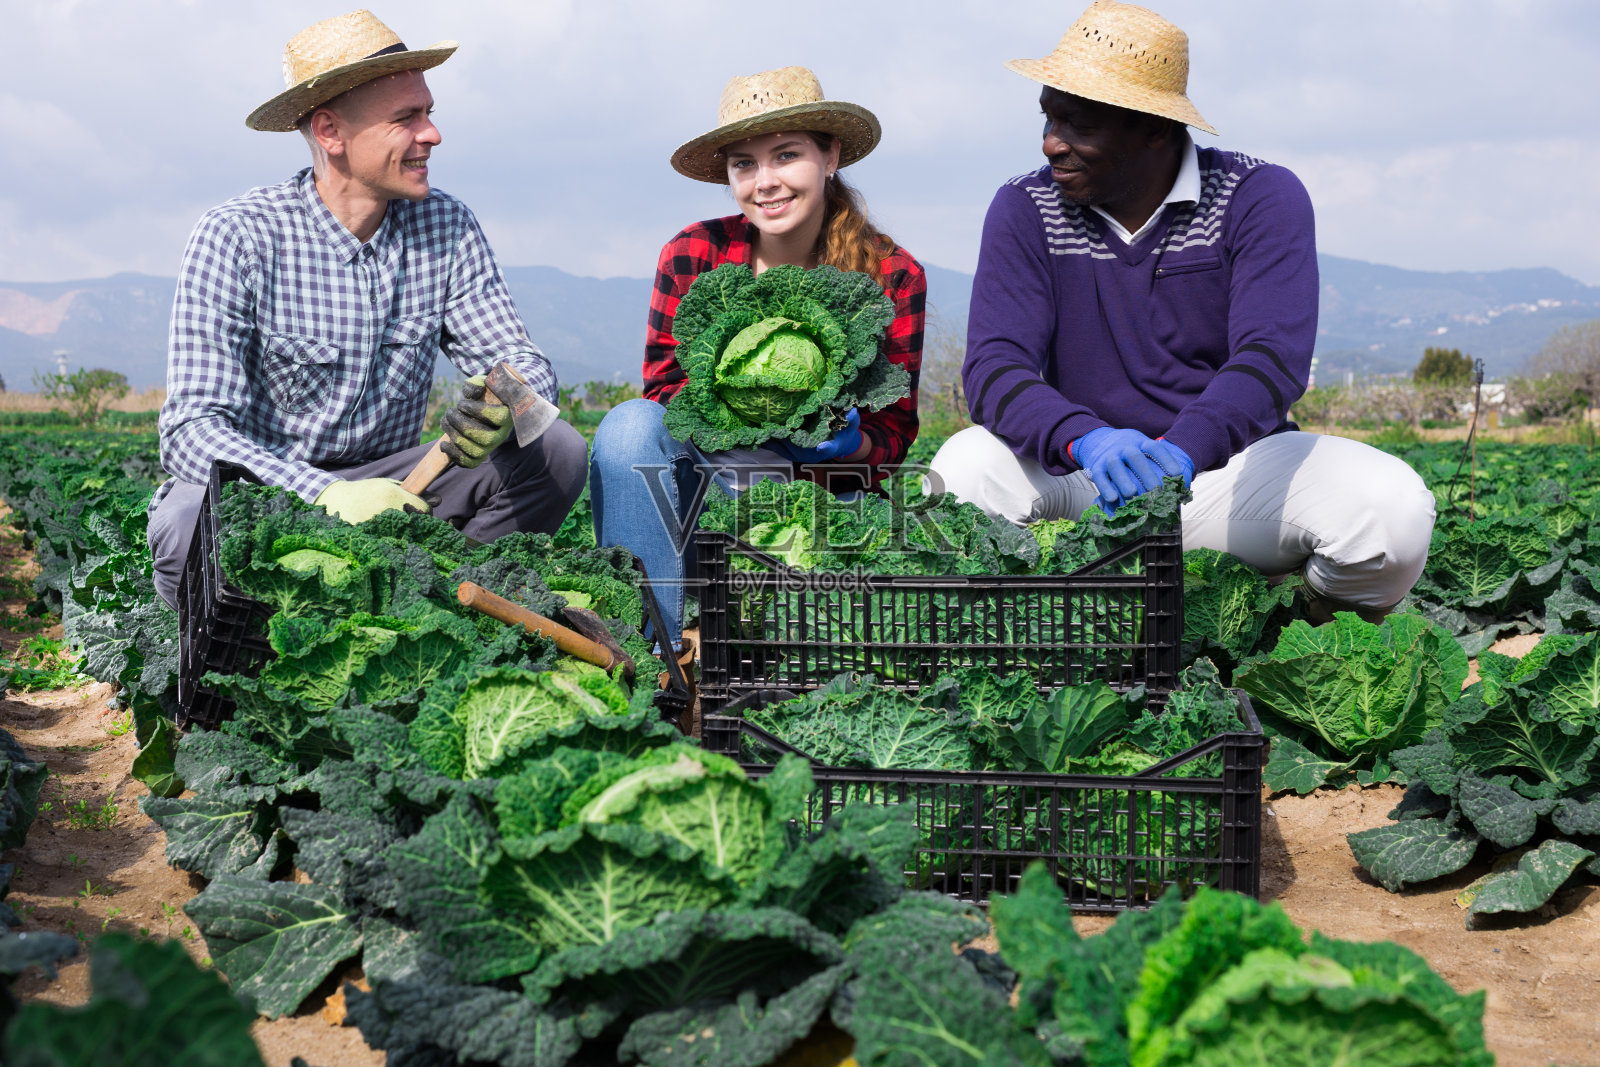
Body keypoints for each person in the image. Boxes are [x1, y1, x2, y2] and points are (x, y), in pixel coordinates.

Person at [930, 0, 1434, 621]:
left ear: (1154, 127)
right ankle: (1037, 636)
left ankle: (1294, 633)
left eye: (1078, 124)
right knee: (963, 470)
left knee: (1391, 511)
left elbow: (1271, 361)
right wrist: (1084, 439)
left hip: (1219, 475)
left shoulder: (1258, 196)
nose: (1050, 144)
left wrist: (1187, 449)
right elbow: (994, 369)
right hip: (1082, 477)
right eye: (1047, 118)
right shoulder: (1025, 206)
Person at [148, 10, 587, 608]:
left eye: (429, 113)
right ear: (330, 132)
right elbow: (190, 431)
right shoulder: (239, 235)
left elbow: (517, 358)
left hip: (406, 487)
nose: (432, 134)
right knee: (184, 530)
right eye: (407, 118)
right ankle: (267, 642)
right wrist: (323, 494)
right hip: (273, 489)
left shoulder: (447, 227)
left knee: (555, 450)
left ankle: (438, 610)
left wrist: (510, 401)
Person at [589, 67, 926, 648]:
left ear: (831, 157)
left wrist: (848, 445)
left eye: (786, 155)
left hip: (822, 504)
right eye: (744, 164)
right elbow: (664, 391)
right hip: (711, 483)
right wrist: (744, 424)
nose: (764, 182)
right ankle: (650, 658)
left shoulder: (891, 272)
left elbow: (892, 436)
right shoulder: (695, 251)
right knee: (625, 428)